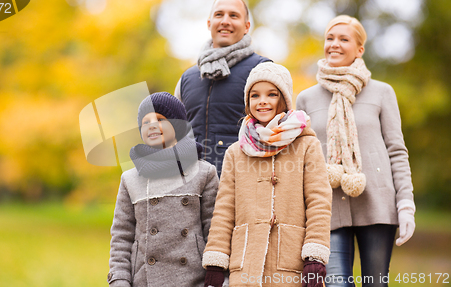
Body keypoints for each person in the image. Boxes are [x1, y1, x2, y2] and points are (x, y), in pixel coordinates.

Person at [296, 15, 416, 287]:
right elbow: (302, 158)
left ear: (359, 49)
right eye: (330, 38)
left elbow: (397, 151)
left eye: (343, 39)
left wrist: (406, 204)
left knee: (376, 284)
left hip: (377, 204)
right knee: (337, 284)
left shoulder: (382, 92)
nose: (334, 44)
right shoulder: (306, 98)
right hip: (327, 208)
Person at [202, 62, 332, 287]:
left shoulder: (307, 145)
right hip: (245, 265)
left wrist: (315, 256)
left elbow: (319, 202)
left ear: (284, 100)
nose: (262, 101)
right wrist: (215, 260)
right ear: (247, 102)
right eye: (255, 95)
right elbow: (224, 209)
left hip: (289, 263)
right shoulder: (236, 152)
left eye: (271, 94)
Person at [107, 92, 219, 287]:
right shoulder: (130, 179)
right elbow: (121, 237)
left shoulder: (204, 173)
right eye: (145, 121)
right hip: (144, 281)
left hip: (194, 279)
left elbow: (214, 231)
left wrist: (216, 278)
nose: (151, 125)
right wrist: (119, 280)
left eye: (159, 119)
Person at [174, 0, 271, 175]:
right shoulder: (187, 78)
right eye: (219, 14)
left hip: (242, 184)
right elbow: (175, 137)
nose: (225, 21)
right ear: (209, 23)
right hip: (192, 188)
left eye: (233, 15)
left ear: (246, 26)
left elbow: (276, 132)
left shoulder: (262, 69)